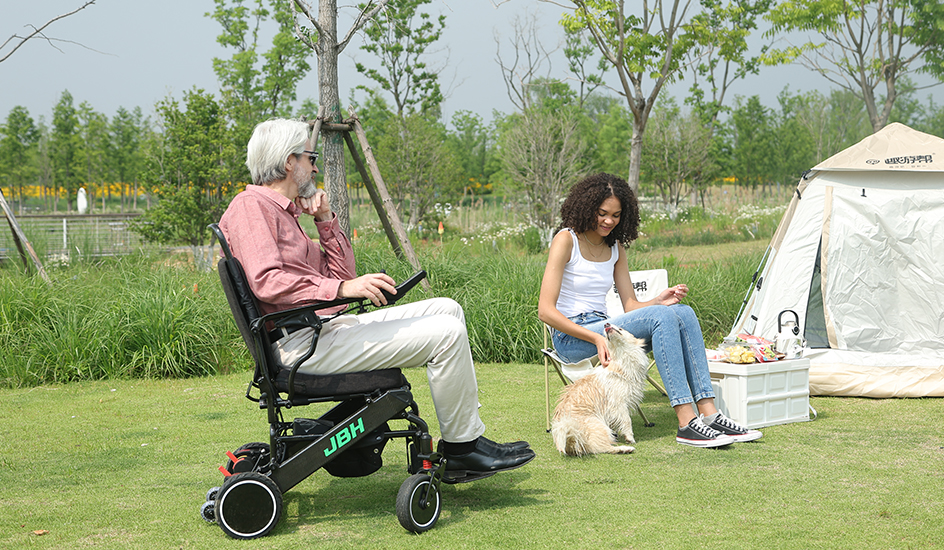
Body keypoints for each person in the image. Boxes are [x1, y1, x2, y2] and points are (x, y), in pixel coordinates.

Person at [219, 118, 534, 478]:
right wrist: (339, 290)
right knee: (445, 333)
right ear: (289, 162)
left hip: (319, 330)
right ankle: (463, 449)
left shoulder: (282, 213)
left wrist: (324, 220)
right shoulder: (251, 208)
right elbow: (267, 281)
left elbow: (341, 275)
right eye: (310, 156)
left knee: (448, 307)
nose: (315, 165)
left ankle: (468, 436)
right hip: (301, 345)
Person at [538, 173, 762, 448]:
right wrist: (596, 338)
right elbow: (545, 311)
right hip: (572, 337)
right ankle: (686, 421)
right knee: (664, 317)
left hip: (607, 328)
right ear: (586, 208)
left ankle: (710, 413)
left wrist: (658, 299)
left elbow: (630, 306)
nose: (609, 221)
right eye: (602, 213)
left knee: (684, 312)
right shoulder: (566, 240)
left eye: (616, 215)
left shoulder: (615, 247)